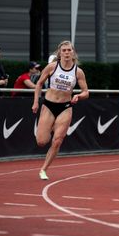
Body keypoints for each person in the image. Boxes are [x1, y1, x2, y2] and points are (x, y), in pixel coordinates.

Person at [32, 41, 89, 180]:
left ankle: (43, 169)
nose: (67, 53)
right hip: (49, 105)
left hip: (65, 107)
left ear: (73, 52)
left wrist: (78, 96)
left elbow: (86, 92)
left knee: (57, 140)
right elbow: (39, 84)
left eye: (69, 50)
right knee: (41, 141)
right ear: (59, 53)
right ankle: (50, 127)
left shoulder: (78, 71)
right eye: (64, 50)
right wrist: (35, 103)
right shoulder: (52, 67)